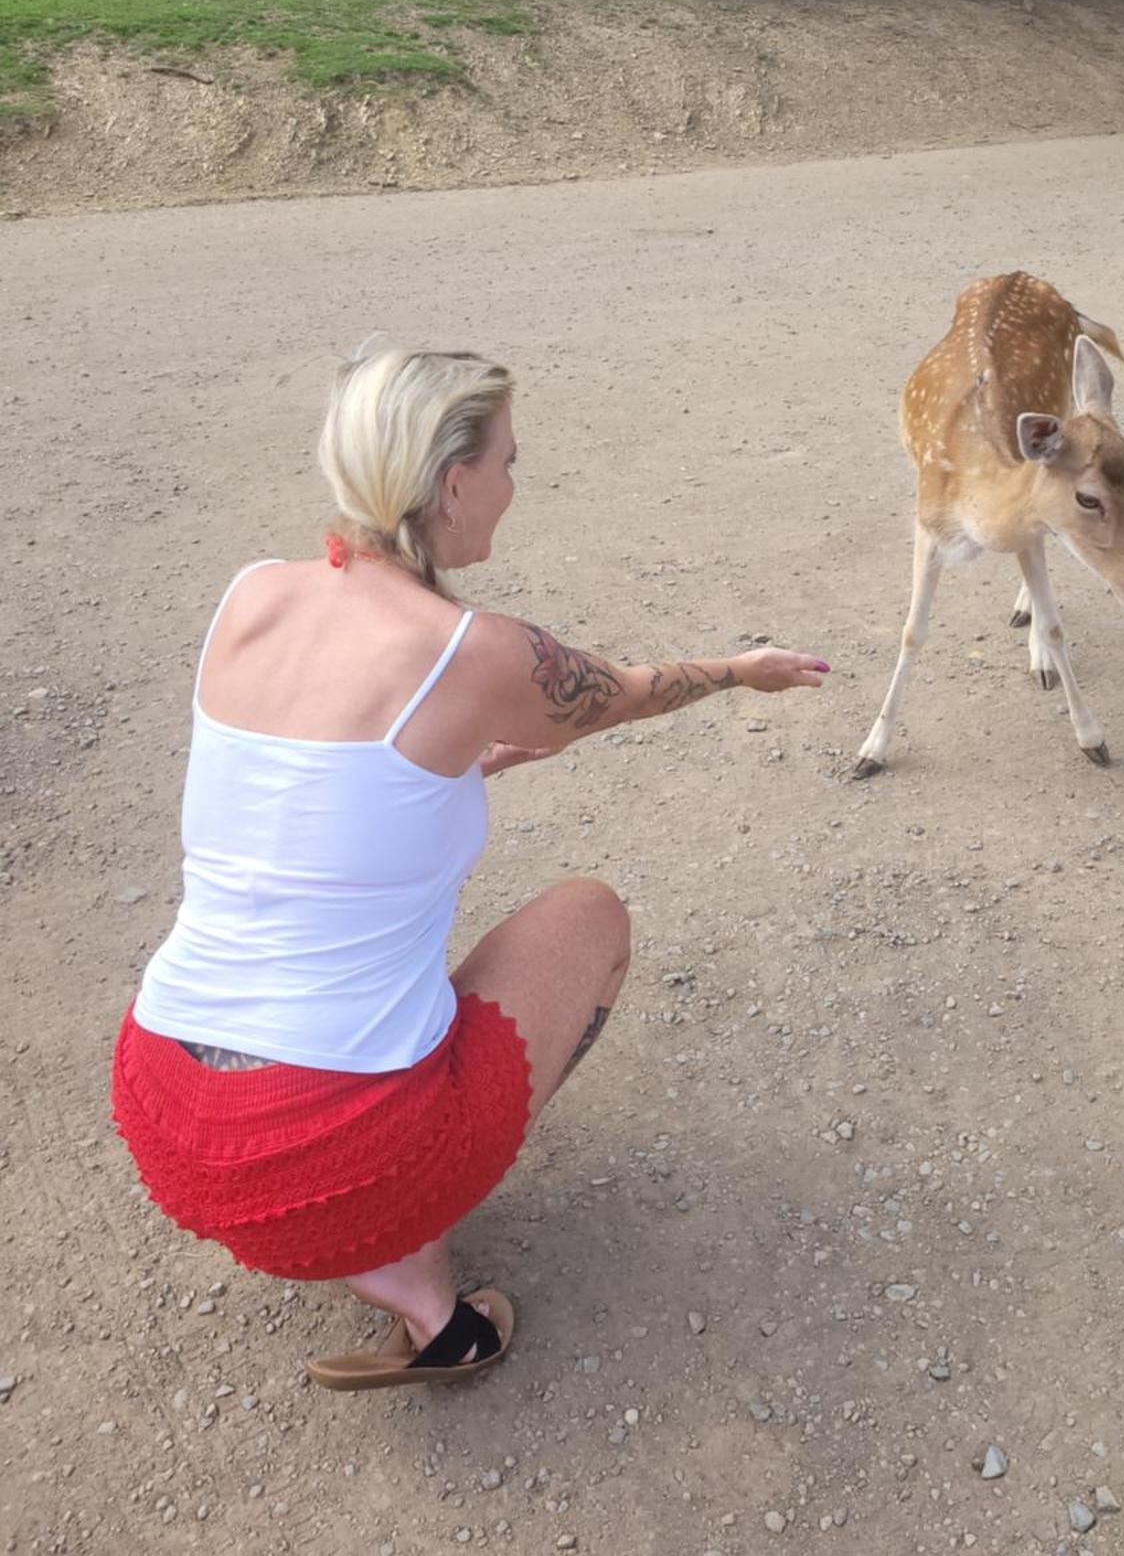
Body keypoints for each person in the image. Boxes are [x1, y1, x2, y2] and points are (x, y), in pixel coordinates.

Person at [111, 347, 828, 1391]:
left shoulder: (252, 593)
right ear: (454, 486)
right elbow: (625, 691)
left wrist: (453, 765)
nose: (513, 484)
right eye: (507, 461)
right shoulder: (471, 650)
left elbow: (304, 783)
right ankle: (415, 1276)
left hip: (165, 1111)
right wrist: (740, 669)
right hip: (321, 1148)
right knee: (591, 916)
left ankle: (371, 1240)